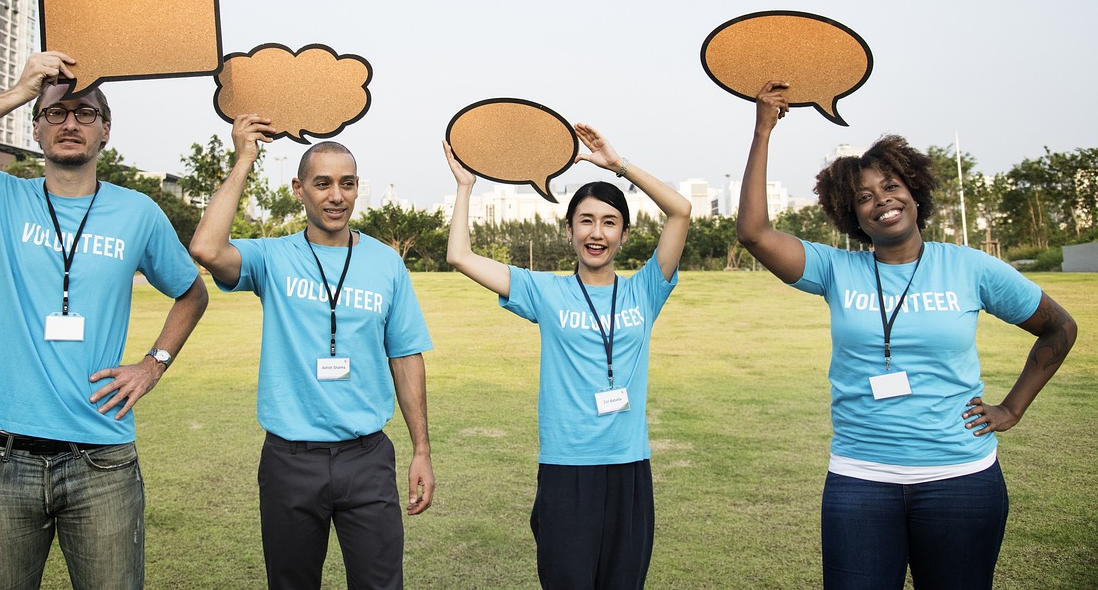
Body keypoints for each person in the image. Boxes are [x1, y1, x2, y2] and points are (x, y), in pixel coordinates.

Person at [736, 80, 1078, 590]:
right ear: (851, 215)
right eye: (865, 197)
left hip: (960, 480)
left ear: (914, 192)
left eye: (892, 187)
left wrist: (1012, 409)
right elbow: (754, 233)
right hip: (860, 481)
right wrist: (763, 130)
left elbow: (1059, 328)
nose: (882, 201)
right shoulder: (837, 270)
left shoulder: (970, 267)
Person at [0, 51, 209, 590]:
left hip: (102, 460)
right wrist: (19, 91)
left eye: (86, 113)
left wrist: (153, 365)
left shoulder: (138, 213)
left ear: (106, 131)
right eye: (54, 112)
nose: (70, 123)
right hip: (1, 459)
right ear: (35, 130)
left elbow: (192, 294)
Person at [189, 114, 434, 590]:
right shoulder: (272, 257)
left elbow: (405, 357)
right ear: (299, 190)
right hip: (290, 460)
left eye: (346, 183)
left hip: (367, 457)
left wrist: (421, 449)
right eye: (322, 184)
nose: (336, 196)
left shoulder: (386, 262)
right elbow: (206, 247)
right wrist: (244, 160)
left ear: (358, 188)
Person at [443, 124, 692, 590]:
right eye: (586, 220)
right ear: (569, 228)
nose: (597, 233)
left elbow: (680, 210)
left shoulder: (646, 288)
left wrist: (618, 165)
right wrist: (465, 186)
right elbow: (459, 254)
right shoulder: (547, 291)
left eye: (609, 221)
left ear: (623, 233)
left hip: (628, 469)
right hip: (566, 468)